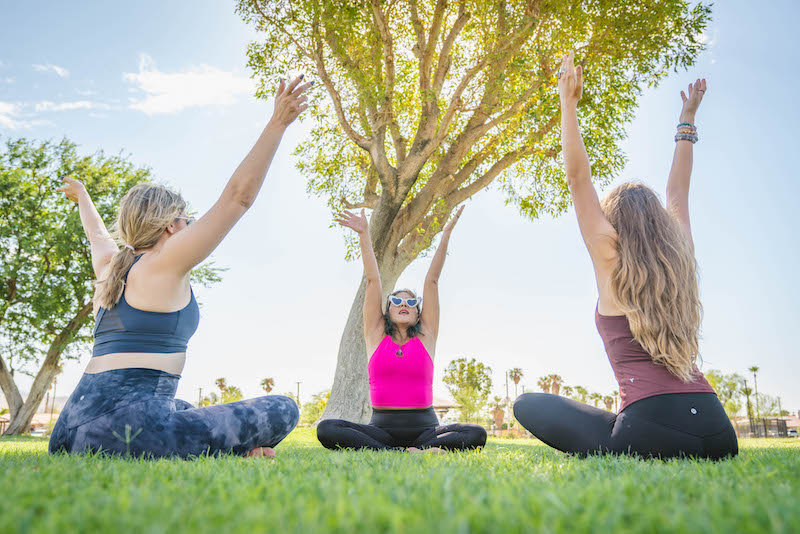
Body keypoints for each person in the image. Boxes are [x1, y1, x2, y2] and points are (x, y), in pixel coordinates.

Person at [49, 76, 311, 459]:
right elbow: (237, 198)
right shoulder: (164, 263)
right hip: (126, 432)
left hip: (70, 432)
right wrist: (277, 124)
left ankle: (232, 451)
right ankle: (239, 453)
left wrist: (83, 196)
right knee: (283, 407)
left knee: (183, 408)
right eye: (186, 220)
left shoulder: (111, 265)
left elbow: (96, 235)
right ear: (171, 225)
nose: (190, 227)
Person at [514, 52, 737, 460]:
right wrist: (686, 122)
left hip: (653, 429)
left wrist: (568, 104)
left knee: (527, 404)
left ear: (613, 221)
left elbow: (578, 178)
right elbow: (678, 194)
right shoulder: (679, 258)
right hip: (718, 431)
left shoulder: (609, 256)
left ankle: (628, 430)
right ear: (660, 224)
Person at [317, 206, 487, 453]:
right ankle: (402, 451)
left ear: (419, 312)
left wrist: (446, 235)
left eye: (410, 302)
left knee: (476, 434)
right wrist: (364, 234)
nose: (404, 304)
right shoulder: (375, 335)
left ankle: (416, 448)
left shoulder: (426, 335)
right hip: (381, 430)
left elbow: (432, 280)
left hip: (426, 429)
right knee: (327, 429)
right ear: (387, 310)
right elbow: (374, 280)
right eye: (396, 301)